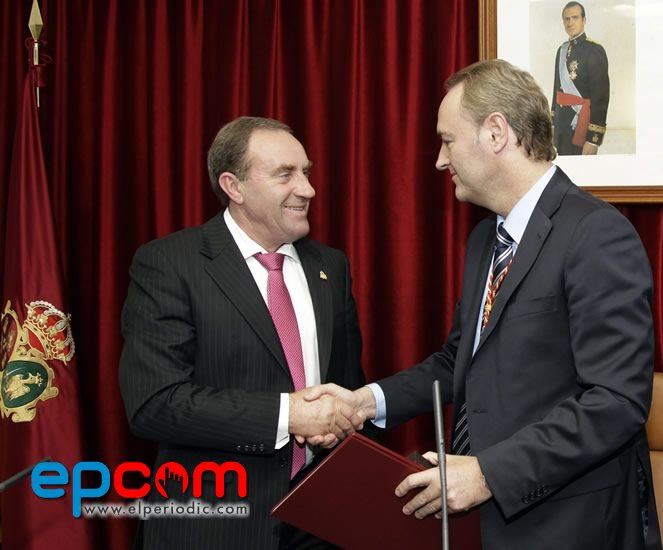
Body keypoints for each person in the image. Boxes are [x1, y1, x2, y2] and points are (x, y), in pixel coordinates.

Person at [307, 59, 661, 549]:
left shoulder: (595, 233)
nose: (440, 160)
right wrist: (364, 402)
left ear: (496, 132)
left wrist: (488, 473)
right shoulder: (484, 241)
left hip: (569, 526)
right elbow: (460, 361)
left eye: (447, 140)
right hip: (486, 524)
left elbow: (616, 401)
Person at [119, 116, 367, 549]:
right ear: (233, 186)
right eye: (285, 174)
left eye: (306, 172)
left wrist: (339, 423)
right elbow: (154, 402)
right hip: (213, 526)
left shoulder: (330, 266)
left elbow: (347, 385)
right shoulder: (171, 264)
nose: (307, 189)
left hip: (322, 523)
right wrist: (289, 415)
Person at [552, 1, 609, 155]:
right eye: (567, 19)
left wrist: (593, 140)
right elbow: (556, 91)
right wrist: (553, 125)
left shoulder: (594, 50)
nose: (570, 22)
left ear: (584, 20)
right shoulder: (561, 50)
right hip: (561, 129)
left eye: (575, 18)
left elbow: (601, 99)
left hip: (581, 126)